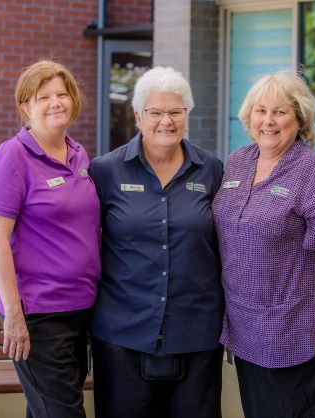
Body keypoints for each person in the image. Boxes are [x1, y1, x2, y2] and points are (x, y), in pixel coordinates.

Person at [212, 72, 315, 418]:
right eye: (260, 110)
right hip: (245, 329)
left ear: (300, 119)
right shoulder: (237, 161)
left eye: (279, 112)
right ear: (248, 116)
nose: (268, 121)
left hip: (295, 332)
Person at [88, 66, 224, 418]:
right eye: (156, 112)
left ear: (187, 115)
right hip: (122, 334)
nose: (167, 121)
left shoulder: (212, 171)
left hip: (196, 334)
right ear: (138, 116)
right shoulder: (105, 171)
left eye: (176, 112)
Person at [0, 60, 101, 418]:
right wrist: (14, 315)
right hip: (39, 316)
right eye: (43, 96)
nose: (55, 102)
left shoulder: (78, 155)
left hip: (82, 311)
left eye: (62, 94)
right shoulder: (11, 157)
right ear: (25, 108)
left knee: (48, 409)